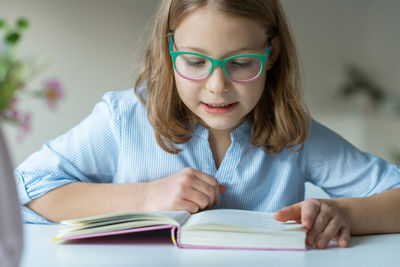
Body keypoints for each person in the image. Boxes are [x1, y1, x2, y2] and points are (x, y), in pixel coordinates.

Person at [15, 0, 400, 249]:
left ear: (271, 54)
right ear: (169, 51)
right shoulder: (123, 120)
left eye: (241, 62)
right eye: (196, 62)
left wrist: (344, 213)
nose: (217, 87)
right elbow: (26, 188)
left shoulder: (294, 134)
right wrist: (146, 198)